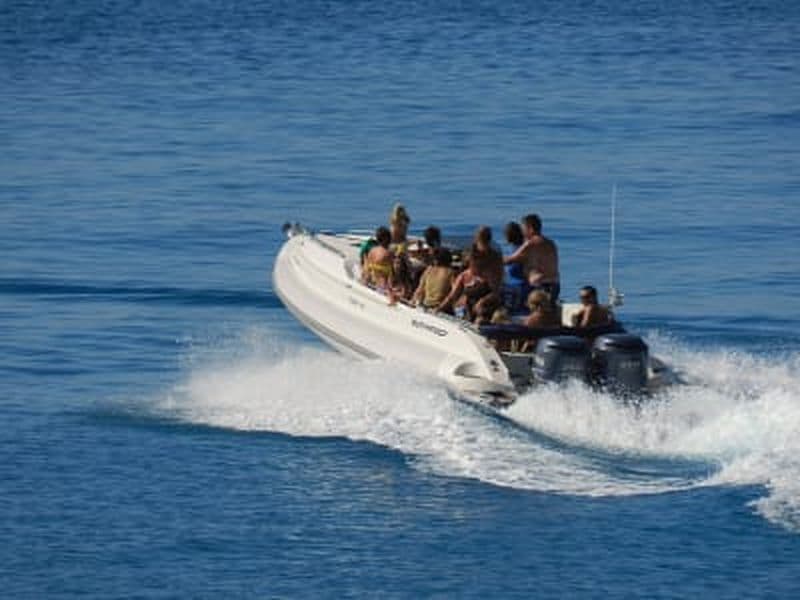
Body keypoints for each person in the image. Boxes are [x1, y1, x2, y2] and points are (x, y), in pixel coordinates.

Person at [504, 213, 560, 303]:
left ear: (530, 228)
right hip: (555, 286)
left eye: (523, 229)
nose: (522, 232)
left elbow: (510, 260)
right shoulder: (550, 243)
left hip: (541, 288)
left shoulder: (531, 243)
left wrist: (493, 258)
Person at [435, 253, 492, 320]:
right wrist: (439, 309)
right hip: (465, 310)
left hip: (483, 310)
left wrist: (483, 301)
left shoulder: (489, 276)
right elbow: (452, 296)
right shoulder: (463, 276)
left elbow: (495, 293)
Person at [469, 226, 504, 319]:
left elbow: (496, 290)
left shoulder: (493, 260)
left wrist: (482, 301)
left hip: (488, 295)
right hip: (481, 288)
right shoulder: (477, 254)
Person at [501, 221, 526, 312]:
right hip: (511, 284)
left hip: (518, 286)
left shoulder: (522, 248)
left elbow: (509, 260)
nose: (505, 236)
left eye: (506, 234)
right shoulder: (514, 247)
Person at [362, 226, 394, 292]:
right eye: (390, 237)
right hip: (382, 284)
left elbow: (367, 267)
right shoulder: (388, 253)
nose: (391, 239)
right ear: (386, 239)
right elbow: (393, 272)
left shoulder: (372, 250)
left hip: (370, 280)